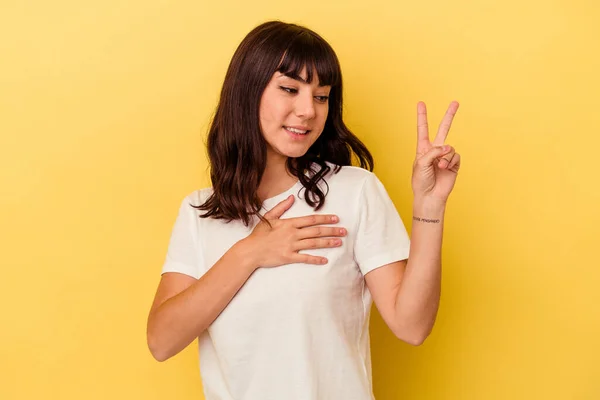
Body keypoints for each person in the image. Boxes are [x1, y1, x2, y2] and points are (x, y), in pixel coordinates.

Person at [146, 20, 461, 400]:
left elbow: (412, 326)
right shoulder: (200, 212)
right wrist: (250, 253)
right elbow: (161, 341)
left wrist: (429, 207)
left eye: (322, 96)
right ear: (247, 92)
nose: (308, 110)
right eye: (289, 89)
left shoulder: (354, 191)